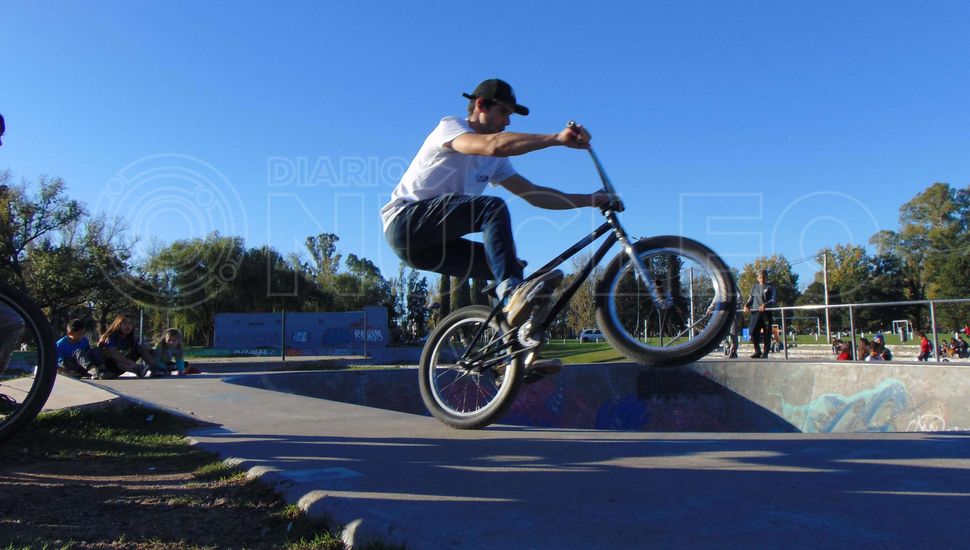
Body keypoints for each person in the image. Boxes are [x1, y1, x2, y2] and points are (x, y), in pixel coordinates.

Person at [381, 78, 608, 377]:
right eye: (503, 112)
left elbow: (535, 195)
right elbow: (493, 145)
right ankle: (512, 296)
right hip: (405, 222)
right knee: (492, 207)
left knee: (507, 266)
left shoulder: (495, 165)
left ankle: (508, 359)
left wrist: (592, 199)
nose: (507, 121)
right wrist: (556, 138)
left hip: (428, 247)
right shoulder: (451, 127)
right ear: (480, 106)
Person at [98, 314, 162, 377]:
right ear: (118, 324)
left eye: (130, 323)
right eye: (125, 323)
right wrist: (130, 362)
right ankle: (138, 369)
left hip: (124, 365)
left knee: (141, 347)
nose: (128, 326)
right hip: (110, 366)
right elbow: (114, 354)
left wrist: (150, 351)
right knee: (118, 359)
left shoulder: (132, 338)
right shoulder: (110, 337)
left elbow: (142, 348)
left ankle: (155, 369)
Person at [743, 269, 776, 358]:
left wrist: (765, 305)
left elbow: (773, 300)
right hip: (755, 313)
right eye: (760, 277)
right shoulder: (754, 287)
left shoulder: (770, 287)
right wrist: (746, 305)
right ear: (758, 278)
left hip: (766, 313)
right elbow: (751, 298)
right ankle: (757, 350)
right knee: (752, 332)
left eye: (764, 277)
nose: (762, 279)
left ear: (767, 278)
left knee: (766, 333)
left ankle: (766, 352)